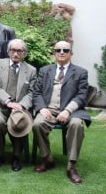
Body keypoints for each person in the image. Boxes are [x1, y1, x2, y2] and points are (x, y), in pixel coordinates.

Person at [33, 41, 91, 184]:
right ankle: (47, 159)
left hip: (71, 110)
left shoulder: (81, 72)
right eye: (58, 50)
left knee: (77, 124)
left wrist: (67, 110)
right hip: (49, 109)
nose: (62, 52)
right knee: (37, 124)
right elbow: (37, 92)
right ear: (54, 53)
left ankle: (71, 166)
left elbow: (82, 95)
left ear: (71, 53)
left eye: (65, 50)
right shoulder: (45, 70)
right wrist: (42, 108)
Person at [0, 39, 37, 171]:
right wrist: (8, 101)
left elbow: (32, 92)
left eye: (19, 51)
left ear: (24, 53)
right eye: (13, 50)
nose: (16, 53)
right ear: (8, 51)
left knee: (21, 121)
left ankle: (16, 157)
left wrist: (21, 105)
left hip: (20, 106)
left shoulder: (31, 70)